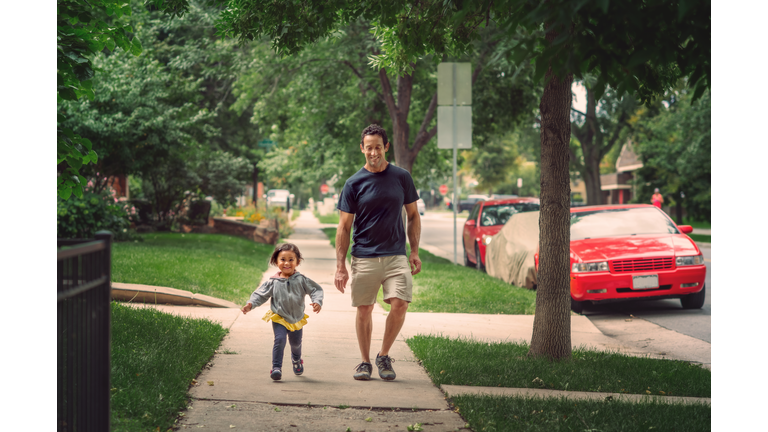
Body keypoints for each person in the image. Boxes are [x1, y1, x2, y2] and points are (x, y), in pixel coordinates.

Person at [334, 124, 422, 381]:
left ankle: (383, 355)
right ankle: (364, 362)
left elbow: (413, 215)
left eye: (378, 147)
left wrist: (414, 251)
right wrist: (341, 265)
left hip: (396, 254)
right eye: (368, 147)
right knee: (364, 309)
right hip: (364, 255)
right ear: (362, 149)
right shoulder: (353, 183)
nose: (374, 152)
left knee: (400, 303)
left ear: (386, 147)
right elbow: (344, 226)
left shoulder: (402, 177)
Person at [241, 243, 324, 381]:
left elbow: (316, 289)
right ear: (276, 262)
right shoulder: (273, 282)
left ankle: (296, 359)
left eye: (291, 259)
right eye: (283, 259)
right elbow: (260, 295)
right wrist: (251, 304)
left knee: (296, 343)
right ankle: (276, 368)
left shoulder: (302, 280)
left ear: (298, 262)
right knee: (279, 340)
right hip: (279, 317)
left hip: (296, 318)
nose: (287, 263)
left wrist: (317, 301)